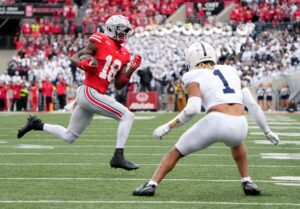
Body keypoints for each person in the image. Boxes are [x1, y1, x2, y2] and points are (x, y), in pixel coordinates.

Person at [132, 41, 280, 196]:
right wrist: (267, 131)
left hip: (215, 121)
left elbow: (193, 109)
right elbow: (252, 105)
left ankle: (151, 184)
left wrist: (167, 126)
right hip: (240, 124)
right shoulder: (231, 71)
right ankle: (247, 181)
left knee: (176, 151)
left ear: (191, 60)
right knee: (237, 143)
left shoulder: (192, 74)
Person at [17, 15, 142, 171]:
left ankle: (36, 124)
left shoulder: (125, 53)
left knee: (69, 136)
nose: (124, 34)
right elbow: (74, 57)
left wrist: (131, 70)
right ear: (111, 29)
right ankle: (118, 156)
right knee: (127, 115)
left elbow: (118, 85)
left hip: (94, 95)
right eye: (122, 31)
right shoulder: (100, 39)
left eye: (126, 31)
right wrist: (83, 64)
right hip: (90, 91)